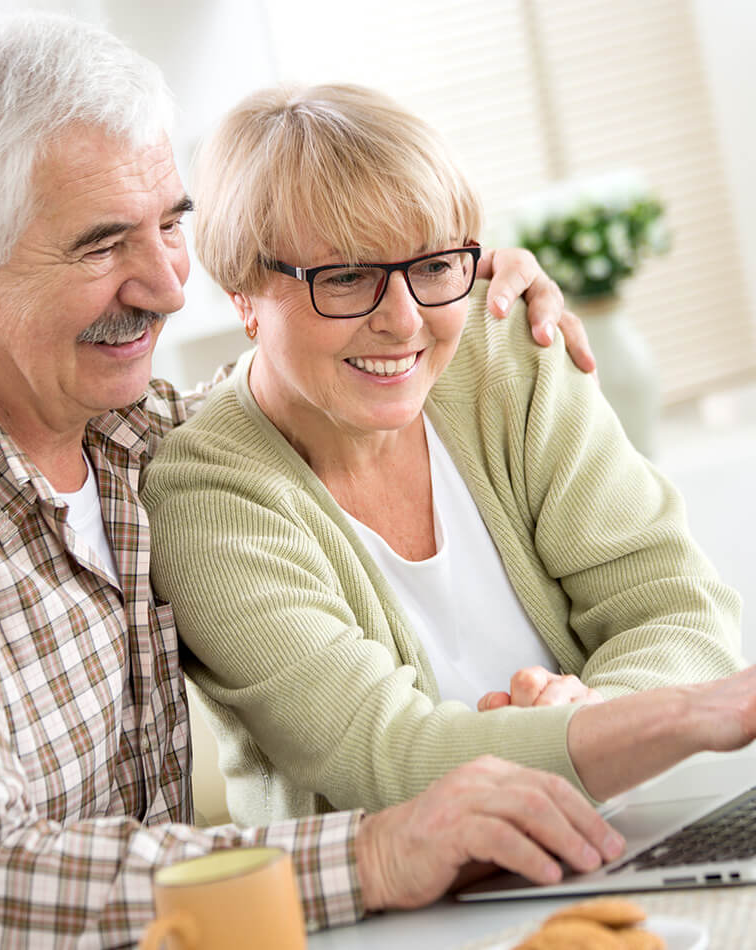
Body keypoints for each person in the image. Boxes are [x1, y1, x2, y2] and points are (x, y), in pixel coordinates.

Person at [0, 14, 628, 949]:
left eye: (169, 224)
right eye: (100, 246)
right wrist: (373, 854)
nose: (169, 286)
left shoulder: (126, 431)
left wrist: (445, 292)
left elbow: (291, 380)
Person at [141, 82, 752, 830]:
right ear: (242, 294)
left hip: (618, 835)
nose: (402, 322)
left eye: (432, 266)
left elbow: (678, 610)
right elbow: (388, 760)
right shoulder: (205, 500)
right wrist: (608, 735)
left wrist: (601, 714)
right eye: (347, 278)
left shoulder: (507, 357)